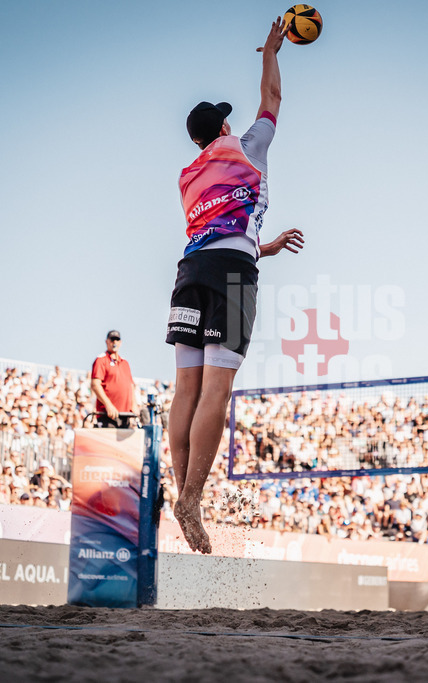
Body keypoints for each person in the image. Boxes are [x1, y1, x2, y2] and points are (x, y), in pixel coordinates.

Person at [165, 16, 304, 554]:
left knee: (186, 390)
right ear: (220, 130)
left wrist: (263, 247)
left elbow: (220, 228)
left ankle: (185, 496)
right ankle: (192, 498)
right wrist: (272, 50)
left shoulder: (187, 174)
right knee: (217, 390)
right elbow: (272, 96)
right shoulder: (246, 147)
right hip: (230, 275)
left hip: (190, 273)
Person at [91, 330, 137, 428]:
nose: (114, 342)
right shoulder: (101, 360)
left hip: (125, 415)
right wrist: (108, 405)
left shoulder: (125, 363)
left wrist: (134, 404)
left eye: (117, 340)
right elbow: (95, 384)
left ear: (120, 342)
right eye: (112, 340)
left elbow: (131, 386)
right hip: (108, 415)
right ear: (107, 341)